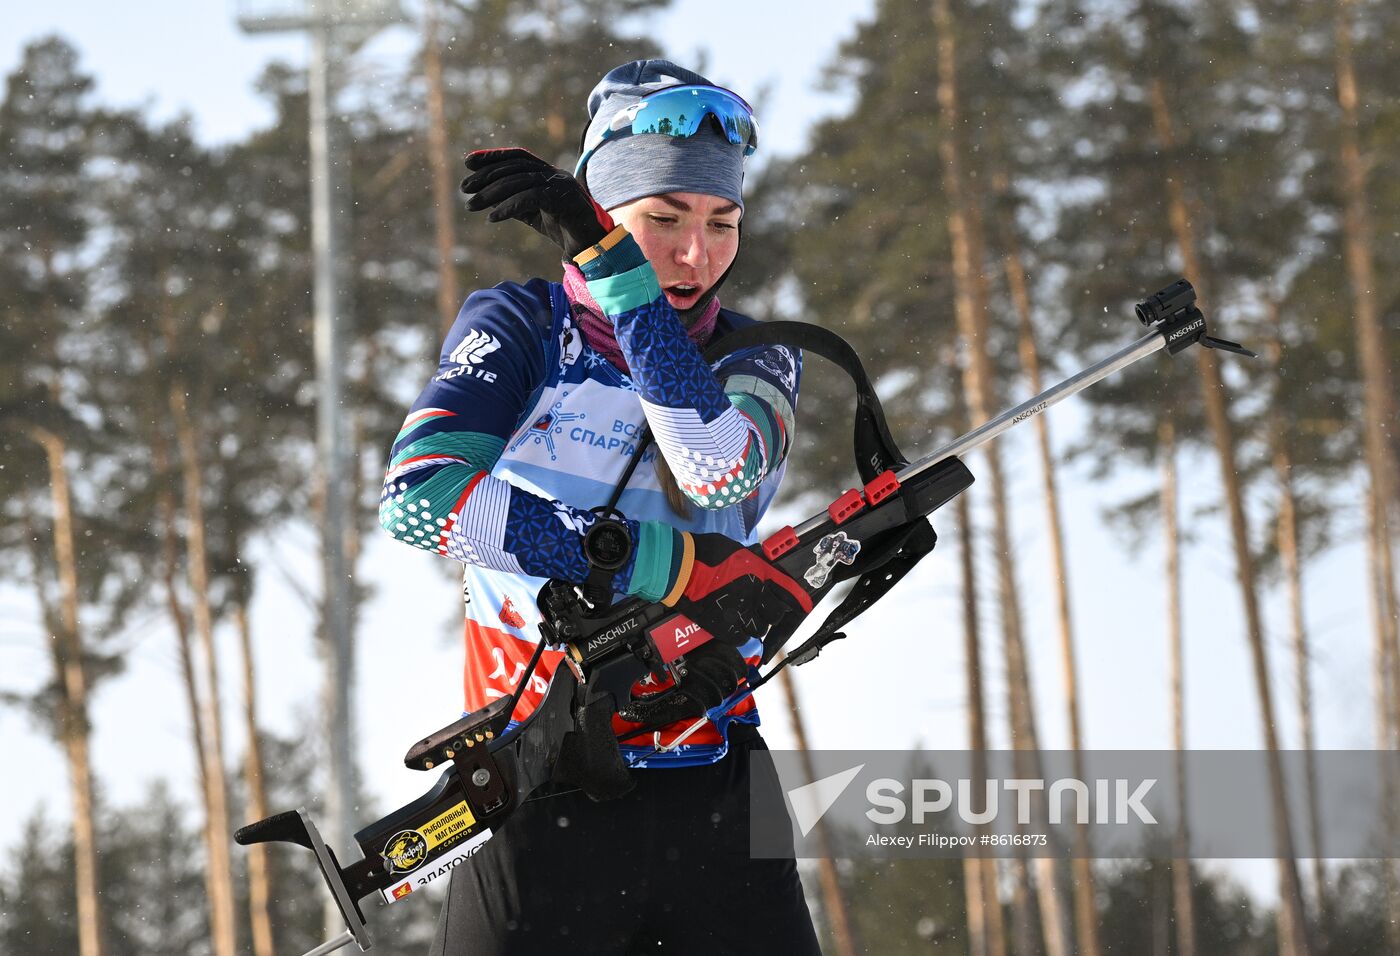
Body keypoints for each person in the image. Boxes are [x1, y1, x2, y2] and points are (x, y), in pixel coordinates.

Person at [380, 59, 822, 954]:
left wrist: (621, 276)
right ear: (602, 213)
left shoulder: (757, 354)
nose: (695, 254)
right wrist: (644, 563)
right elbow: (421, 501)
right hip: (536, 783)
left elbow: (715, 472)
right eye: (662, 221)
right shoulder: (520, 327)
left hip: (716, 786)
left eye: (721, 222)